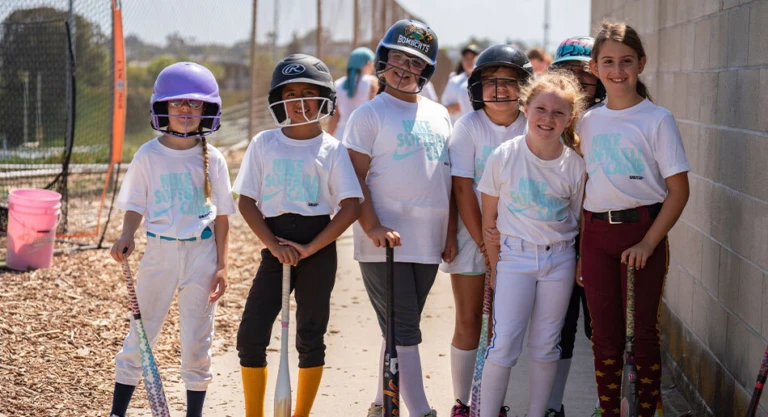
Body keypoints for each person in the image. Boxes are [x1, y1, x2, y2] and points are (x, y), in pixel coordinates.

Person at [233, 54, 363, 417]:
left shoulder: (332, 149)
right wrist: (273, 245)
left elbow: (350, 207)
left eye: (309, 92)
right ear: (279, 100)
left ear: (325, 98)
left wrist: (309, 248)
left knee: (310, 334)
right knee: (251, 335)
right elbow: (246, 202)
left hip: (317, 247)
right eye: (291, 94)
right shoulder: (264, 143)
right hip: (275, 247)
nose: (300, 101)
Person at [108, 62, 237, 417]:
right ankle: (117, 412)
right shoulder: (148, 154)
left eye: (194, 104)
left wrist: (223, 266)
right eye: (177, 103)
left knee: (197, 343)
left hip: (202, 255)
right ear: (161, 107)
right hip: (160, 252)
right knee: (141, 335)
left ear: (208, 111)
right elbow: (135, 203)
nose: (185, 111)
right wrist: (126, 235)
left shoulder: (215, 160)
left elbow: (223, 216)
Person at [343, 19, 453, 417]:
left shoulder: (440, 114)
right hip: (383, 240)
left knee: (398, 328)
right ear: (382, 60)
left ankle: (379, 402)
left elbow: (448, 177)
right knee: (404, 328)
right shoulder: (369, 114)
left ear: (427, 70)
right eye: (398, 59)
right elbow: (354, 177)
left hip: (428, 238)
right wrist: (371, 225)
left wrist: (451, 232)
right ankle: (421, 410)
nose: (406, 69)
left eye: (416, 63)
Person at [579, 21, 689, 417]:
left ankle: (646, 411)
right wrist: (581, 250)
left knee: (641, 335)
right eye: (607, 61)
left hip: (644, 233)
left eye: (626, 61)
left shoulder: (657, 119)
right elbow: (588, 185)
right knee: (603, 337)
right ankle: (609, 411)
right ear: (594, 67)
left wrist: (649, 242)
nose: (617, 70)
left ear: (641, 64)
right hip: (596, 237)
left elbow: (679, 191)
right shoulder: (589, 121)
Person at [478, 72, 588, 417]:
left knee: (545, 345)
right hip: (514, 259)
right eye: (541, 108)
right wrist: (496, 268)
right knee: (505, 343)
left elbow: (576, 219)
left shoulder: (574, 166)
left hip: (559, 262)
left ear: (569, 118)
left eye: (559, 113)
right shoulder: (503, 156)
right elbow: (489, 222)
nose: (548, 118)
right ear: (526, 108)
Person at [441, 44, 533, 417]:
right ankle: (464, 402)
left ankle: (496, 402)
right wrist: (482, 242)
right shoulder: (468, 126)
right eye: (490, 82)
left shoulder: (533, 122)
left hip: (522, 237)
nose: (499, 90)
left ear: (524, 85)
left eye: (508, 82)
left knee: (507, 325)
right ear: (477, 87)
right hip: (472, 235)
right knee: (469, 319)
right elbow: (462, 187)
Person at [542, 35, 606, 417]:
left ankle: (605, 405)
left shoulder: (606, 123)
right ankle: (552, 407)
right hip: (559, 243)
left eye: (586, 77)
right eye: (569, 75)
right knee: (558, 329)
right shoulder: (546, 125)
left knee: (599, 328)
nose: (580, 85)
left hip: (599, 240)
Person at [328, 47, 377, 139]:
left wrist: (329, 137)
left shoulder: (338, 83)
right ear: (368, 64)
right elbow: (376, 113)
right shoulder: (372, 82)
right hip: (363, 137)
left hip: (340, 136)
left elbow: (335, 116)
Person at [442, 43, 481, 123]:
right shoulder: (454, 81)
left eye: (472, 58)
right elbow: (445, 108)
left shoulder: (483, 81)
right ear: (462, 60)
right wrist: (457, 106)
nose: (469, 61)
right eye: (466, 58)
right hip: (458, 126)